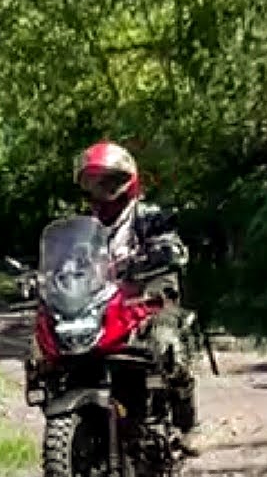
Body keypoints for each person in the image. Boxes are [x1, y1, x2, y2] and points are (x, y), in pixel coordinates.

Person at [74, 141, 200, 455]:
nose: (101, 191)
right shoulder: (83, 226)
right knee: (55, 349)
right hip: (101, 304)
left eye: (107, 182)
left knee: (165, 345)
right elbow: (67, 260)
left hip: (149, 298)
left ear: (125, 181)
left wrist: (158, 253)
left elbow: (174, 248)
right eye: (93, 183)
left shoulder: (149, 216)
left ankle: (186, 423)